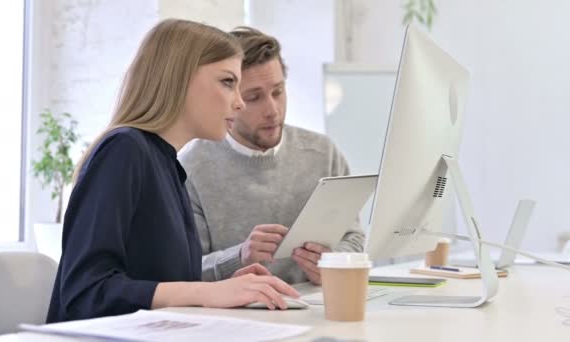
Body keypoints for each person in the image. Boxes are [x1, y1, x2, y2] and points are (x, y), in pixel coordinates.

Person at [46, 19, 299, 323]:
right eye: (228, 82)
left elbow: (157, 284)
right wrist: (205, 293)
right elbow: (85, 293)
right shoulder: (123, 151)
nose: (240, 103)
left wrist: (223, 287)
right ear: (179, 78)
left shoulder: (167, 164)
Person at [179, 27, 364, 286]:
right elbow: (183, 270)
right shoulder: (190, 168)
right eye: (254, 97)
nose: (272, 110)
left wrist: (335, 263)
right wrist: (239, 256)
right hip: (239, 318)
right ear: (231, 98)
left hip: (316, 310)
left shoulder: (323, 154)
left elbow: (354, 238)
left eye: (278, 91)